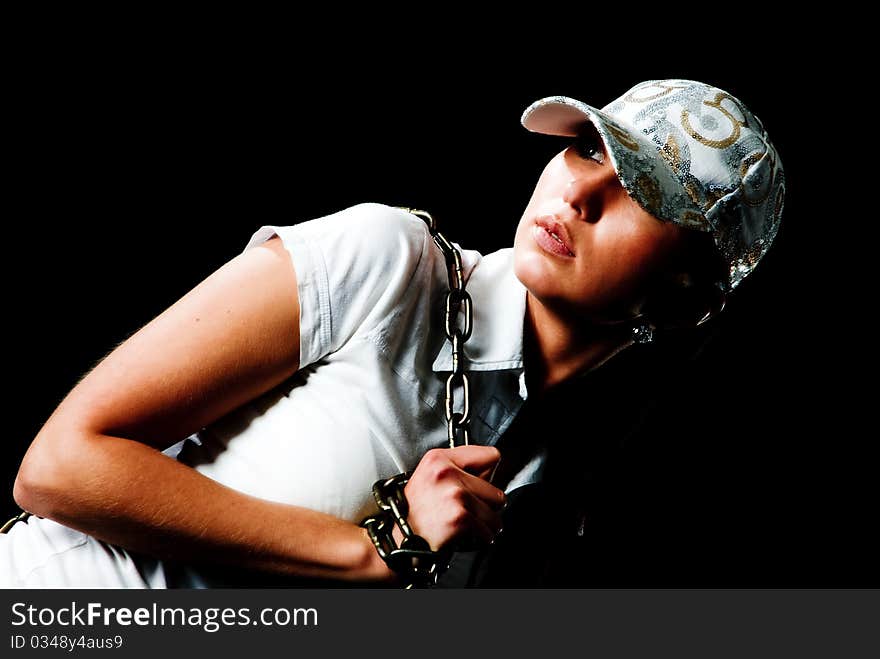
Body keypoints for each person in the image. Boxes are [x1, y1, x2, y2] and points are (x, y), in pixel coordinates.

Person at [1, 78, 784, 588]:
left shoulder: (562, 482)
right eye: (586, 149)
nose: (579, 191)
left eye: (642, 195)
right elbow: (60, 464)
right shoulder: (387, 261)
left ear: (685, 299)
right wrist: (373, 548)